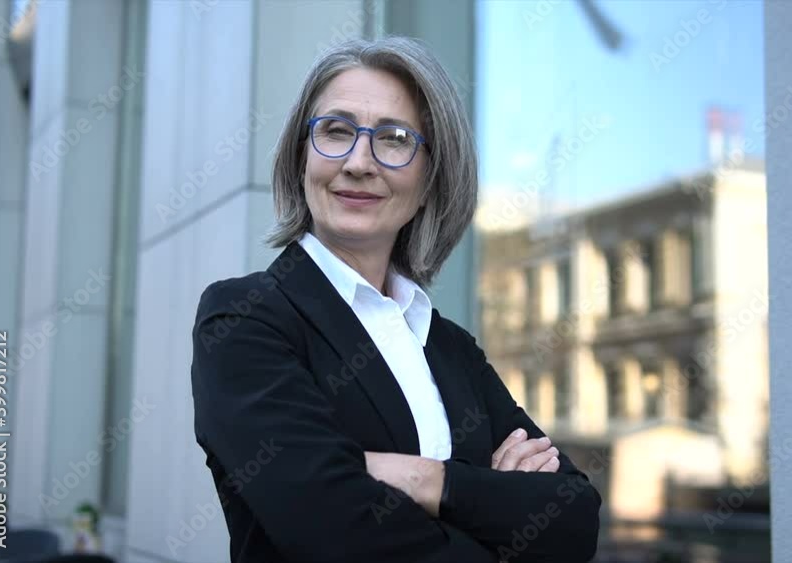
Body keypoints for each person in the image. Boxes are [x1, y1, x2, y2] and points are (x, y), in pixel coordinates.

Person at [190, 36, 601, 563]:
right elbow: (333, 532)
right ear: (301, 158)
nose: (359, 162)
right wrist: (489, 499)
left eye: (394, 139)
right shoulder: (244, 319)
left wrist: (421, 479)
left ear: (431, 178)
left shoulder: (450, 347)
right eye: (335, 131)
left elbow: (573, 520)